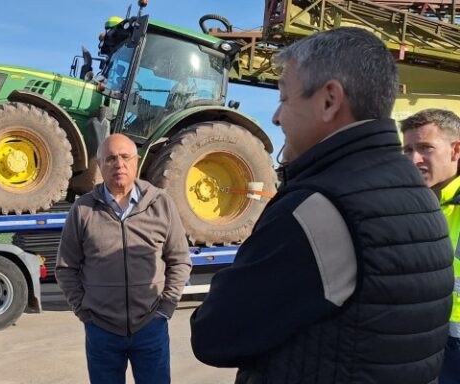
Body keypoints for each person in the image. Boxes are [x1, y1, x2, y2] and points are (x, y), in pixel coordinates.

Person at [189, 27, 454, 383]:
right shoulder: (421, 197)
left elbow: (213, 335)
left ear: (329, 100)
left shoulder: (319, 209)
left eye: (284, 97)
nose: (276, 117)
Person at [55, 133, 192, 384]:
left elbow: (180, 260)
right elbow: (66, 267)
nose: (119, 164)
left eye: (125, 157)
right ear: (100, 165)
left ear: (136, 161)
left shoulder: (161, 204)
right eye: (110, 159)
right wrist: (83, 309)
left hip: (151, 326)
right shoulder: (83, 209)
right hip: (101, 330)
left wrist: (166, 307)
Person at [401, 108, 460, 384]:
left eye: (425, 148)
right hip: (426, 344)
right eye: (407, 149)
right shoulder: (413, 207)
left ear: (456, 150)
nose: (413, 160)